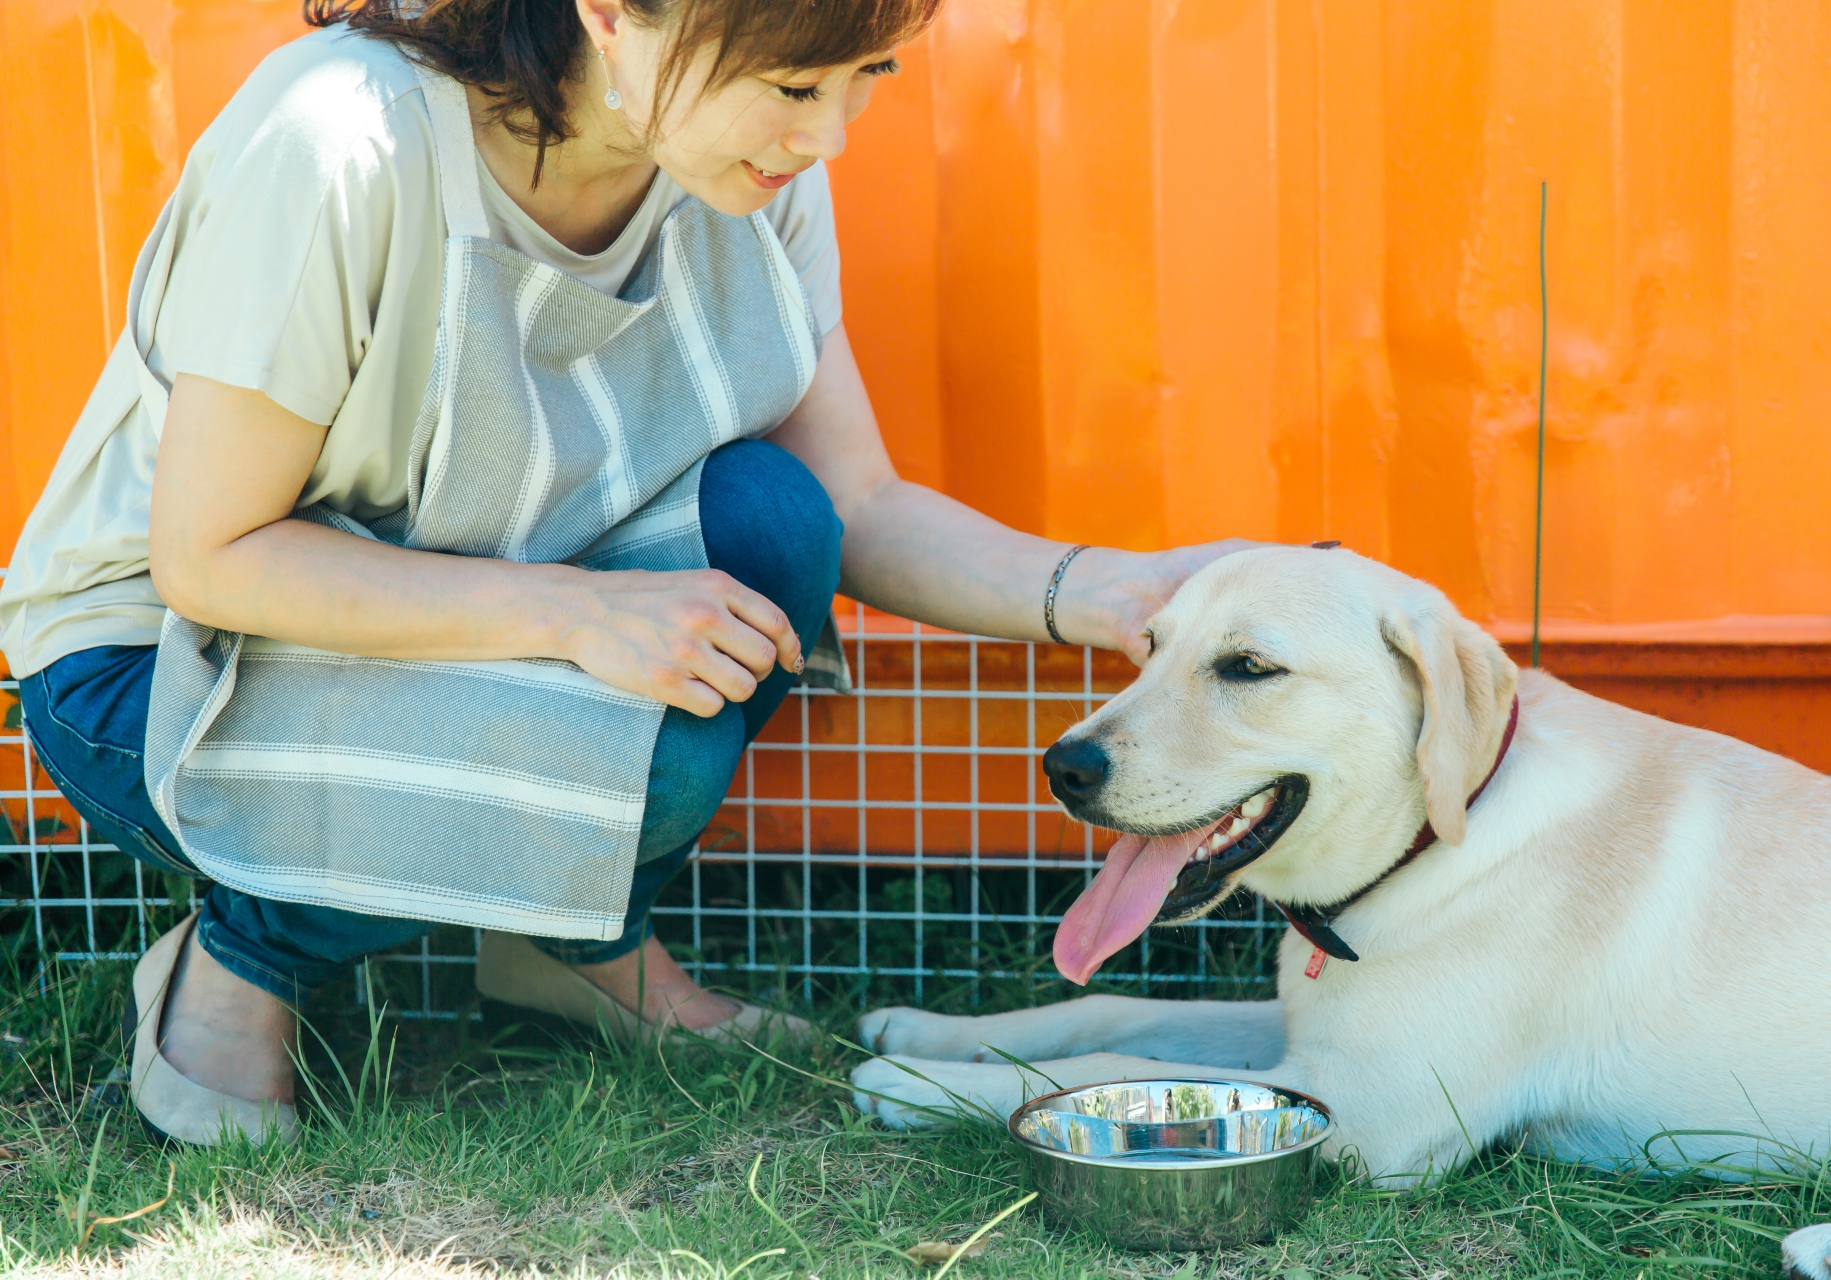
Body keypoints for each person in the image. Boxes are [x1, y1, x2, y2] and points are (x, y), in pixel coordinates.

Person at [0, 0, 1249, 1146]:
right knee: (657, 753)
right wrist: (580, 612)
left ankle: (571, 942)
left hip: (457, 607)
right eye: (793, 86)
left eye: (862, 78)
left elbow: (858, 504)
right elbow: (210, 557)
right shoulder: (339, 140)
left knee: (772, 522)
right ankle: (242, 959)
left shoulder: (741, 167)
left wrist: (1108, 591)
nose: (831, 138)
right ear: (611, 14)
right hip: (158, 671)